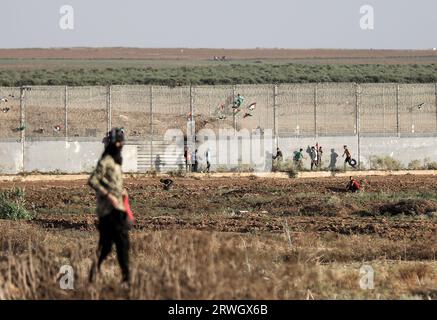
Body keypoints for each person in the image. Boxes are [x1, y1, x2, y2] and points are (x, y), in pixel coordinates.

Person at [88, 128, 131, 286]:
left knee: (116, 245)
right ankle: (125, 279)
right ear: (114, 143)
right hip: (108, 211)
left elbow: (113, 182)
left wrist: (122, 192)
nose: (121, 144)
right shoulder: (106, 160)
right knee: (116, 244)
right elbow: (93, 181)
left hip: (118, 209)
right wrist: (109, 196)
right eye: (119, 142)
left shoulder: (116, 160)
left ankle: (124, 279)